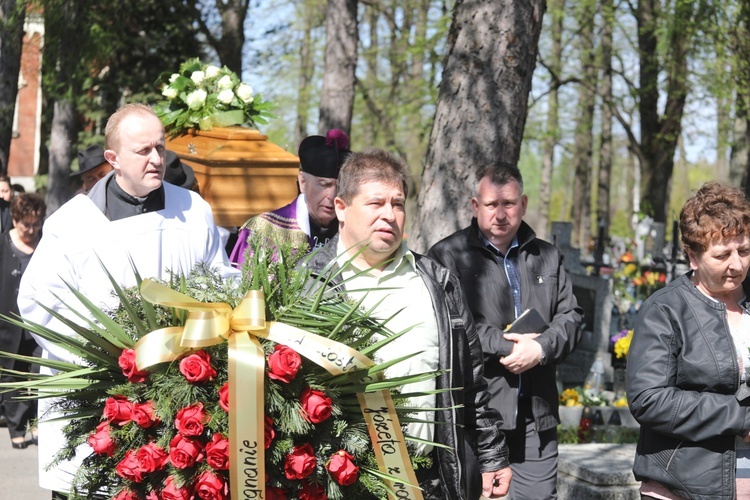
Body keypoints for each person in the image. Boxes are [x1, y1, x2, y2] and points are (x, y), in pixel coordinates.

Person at [18, 103, 236, 497]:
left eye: (160, 147)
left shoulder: (194, 210)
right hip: (99, 396)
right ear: (112, 158)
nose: (156, 159)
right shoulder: (72, 224)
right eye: (142, 150)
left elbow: (218, 281)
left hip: (178, 395)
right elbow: (39, 301)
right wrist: (99, 359)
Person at [305, 148, 512, 499]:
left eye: (398, 204)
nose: (389, 215)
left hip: (428, 478)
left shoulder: (437, 281)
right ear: (341, 207)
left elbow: (471, 379)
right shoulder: (310, 282)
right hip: (341, 481)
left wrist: (492, 456)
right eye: (376, 203)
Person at [428, 163, 582, 499]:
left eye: (509, 204)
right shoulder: (447, 257)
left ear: (523, 204)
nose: (500, 214)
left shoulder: (547, 257)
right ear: (474, 206)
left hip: (535, 415)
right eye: (491, 205)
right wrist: (506, 346)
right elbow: (449, 326)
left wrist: (540, 349)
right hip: (475, 415)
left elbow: (571, 318)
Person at [626, 182, 750, 499]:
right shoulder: (665, 310)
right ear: (692, 257)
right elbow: (649, 399)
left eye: (744, 250)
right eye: (722, 255)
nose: (736, 264)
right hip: (682, 486)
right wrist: (740, 418)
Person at [230, 129, 350, 265]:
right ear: (303, 182)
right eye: (324, 184)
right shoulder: (263, 231)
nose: (332, 196)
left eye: (340, 186)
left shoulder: (354, 231)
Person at [0, 193, 45, 449]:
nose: (30, 230)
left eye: (35, 224)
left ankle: (37, 423)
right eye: (25, 224)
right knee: (12, 374)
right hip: (8, 324)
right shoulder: (3, 244)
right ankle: (17, 428)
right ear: (15, 220)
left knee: (40, 374)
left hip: (39, 323)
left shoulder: (46, 244)